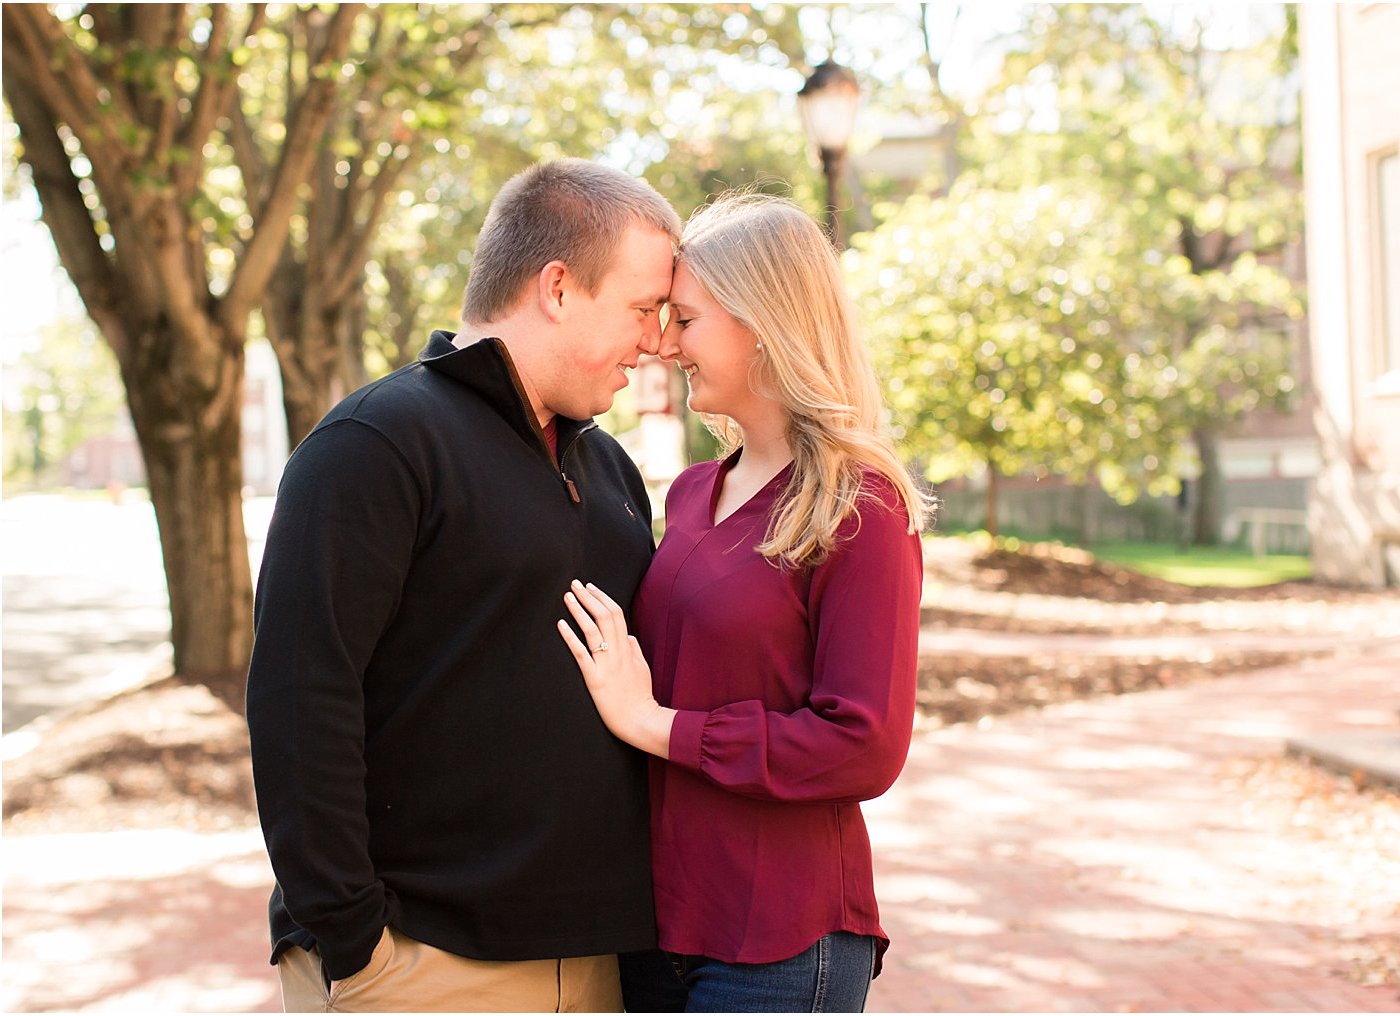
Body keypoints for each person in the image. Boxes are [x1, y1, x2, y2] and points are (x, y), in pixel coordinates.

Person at [245, 158, 681, 1013]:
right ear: (557, 287)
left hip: (594, 965)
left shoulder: (612, 468)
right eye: (641, 310)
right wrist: (354, 941)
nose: (657, 341)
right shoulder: (375, 443)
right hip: (420, 965)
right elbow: (301, 701)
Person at [557, 191, 934, 1013]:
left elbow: (863, 744)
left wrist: (659, 725)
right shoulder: (693, 493)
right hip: (660, 924)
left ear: (761, 322)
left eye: (683, 319)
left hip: (780, 936)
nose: (661, 344)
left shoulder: (858, 506)